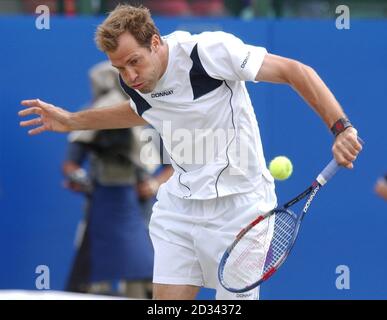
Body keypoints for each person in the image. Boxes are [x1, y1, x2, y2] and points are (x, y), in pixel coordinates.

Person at [18, 4, 362, 300]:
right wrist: (72, 120)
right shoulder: (134, 80)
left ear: (155, 42)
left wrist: (341, 128)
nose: (130, 75)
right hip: (179, 209)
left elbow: (295, 71)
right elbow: (141, 110)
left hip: (242, 210)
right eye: (120, 68)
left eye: (134, 61)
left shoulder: (208, 53)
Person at [62, 61, 173, 298]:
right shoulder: (90, 116)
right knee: (93, 284)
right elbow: (70, 163)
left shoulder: (153, 117)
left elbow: (173, 168)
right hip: (99, 208)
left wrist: (153, 184)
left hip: (141, 212)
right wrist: (78, 178)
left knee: (143, 279)